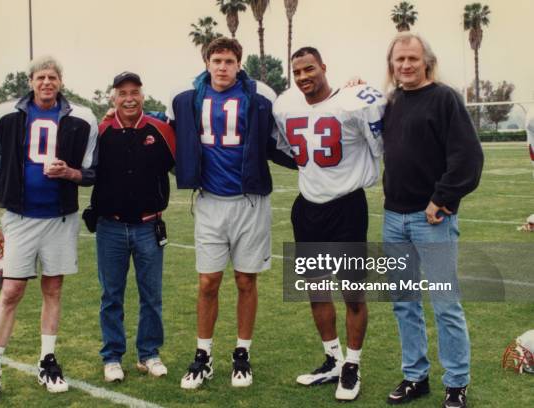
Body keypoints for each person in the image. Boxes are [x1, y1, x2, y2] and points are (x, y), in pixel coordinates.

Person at [167, 37, 294, 389]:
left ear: (240, 63)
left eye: (229, 60)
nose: (222, 66)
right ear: (206, 62)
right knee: (208, 281)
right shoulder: (185, 97)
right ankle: (203, 355)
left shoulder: (260, 95)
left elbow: (283, 137)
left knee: (245, 280)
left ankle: (242, 353)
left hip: (250, 201)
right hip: (209, 201)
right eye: (216, 60)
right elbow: (168, 135)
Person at [0, 56, 98, 403]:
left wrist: (69, 172)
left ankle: (47, 361)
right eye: (41, 77)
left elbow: (90, 172)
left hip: (60, 218)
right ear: (30, 81)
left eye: (53, 77)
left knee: (53, 288)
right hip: (20, 217)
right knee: (11, 291)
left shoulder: (82, 118)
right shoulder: (4, 115)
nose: (47, 82)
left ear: (61, 82)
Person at [273, 46, 385, 401]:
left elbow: (380, 144)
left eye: (309, 69)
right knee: (316, 290)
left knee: (352, 292)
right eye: (297, 72)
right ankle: (333, 359)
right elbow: (286, 150)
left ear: (324, 67)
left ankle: (352, 365)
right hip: (307, 207)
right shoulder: (285, 105)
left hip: (348, 206)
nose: (304, 77)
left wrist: (363, 89)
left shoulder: (352, 101)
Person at [381, 33, 483, 408]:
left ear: (426, 61)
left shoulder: (444, 98)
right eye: (399, 60)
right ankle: (415, 376)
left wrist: (441, 198)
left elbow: (469, 159)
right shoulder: (392, 102)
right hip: (393, 218)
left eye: (412, 58)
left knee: (445, 303)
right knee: (404, 302)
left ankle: (456, 383)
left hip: (432, 220)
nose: (405, 65)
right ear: (391, 65)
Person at [92, 71, 175, 382]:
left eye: (134, 92)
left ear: (142, 95)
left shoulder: (162, 130)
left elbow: (184, 162)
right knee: (111, 295)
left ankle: (149, 354)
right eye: (122, 92)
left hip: (148, 226)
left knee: (151, 295)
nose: (129, 98)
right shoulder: (100, 132)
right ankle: (112, 356)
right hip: (109, 227)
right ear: (113, 98)